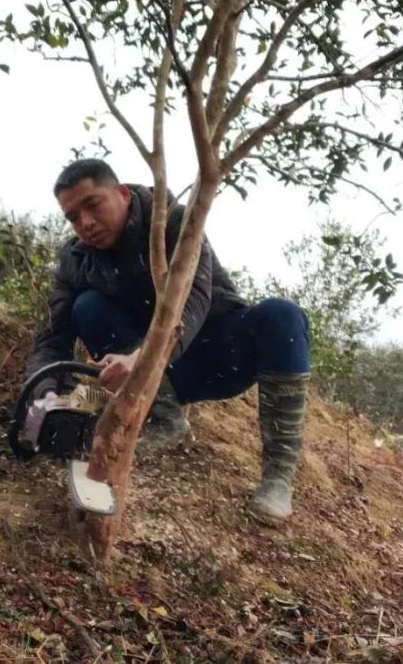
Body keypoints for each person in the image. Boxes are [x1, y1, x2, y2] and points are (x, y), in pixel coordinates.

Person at [24, 159, 311, 523]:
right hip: (159, 378)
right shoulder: (75, 261)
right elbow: (52, 339)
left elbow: (193, 301)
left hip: (216, 354)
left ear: (122, 194)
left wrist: (143, 358)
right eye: (73, 217)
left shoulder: (175, 221)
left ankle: (277, 478)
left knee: (282, 315)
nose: (85, 224)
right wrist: (42, 396)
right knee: (87, 306)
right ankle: (163, 419)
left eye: (93, 205)